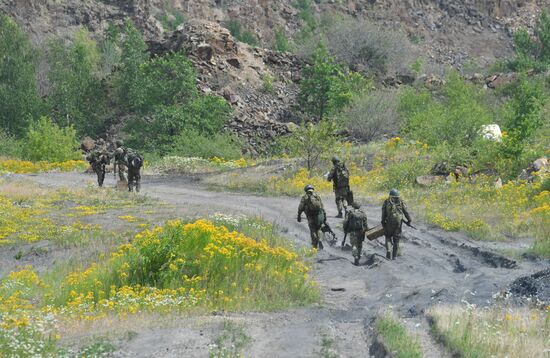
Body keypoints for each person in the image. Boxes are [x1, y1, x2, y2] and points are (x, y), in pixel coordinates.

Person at [381, 189, 411, 260]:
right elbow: (406, 212)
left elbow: (383, 213)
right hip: (398, 223)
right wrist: (409, 220)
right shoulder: (401, 202)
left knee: (388, 236)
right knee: (396, 239)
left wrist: (383, 221)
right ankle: (394, 256)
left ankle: (388, 250)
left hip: (389, 222)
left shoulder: (386, 201)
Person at [297, 184, 326, 249]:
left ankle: (314, 245)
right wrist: (324, 216)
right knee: (319, 228)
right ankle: (320, 240)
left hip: (311, 216)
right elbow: (322, 207)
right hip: (319, 216)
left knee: (313, 230)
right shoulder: (317, 196)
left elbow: (300, 207)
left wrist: (299, 215)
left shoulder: (305, 197)